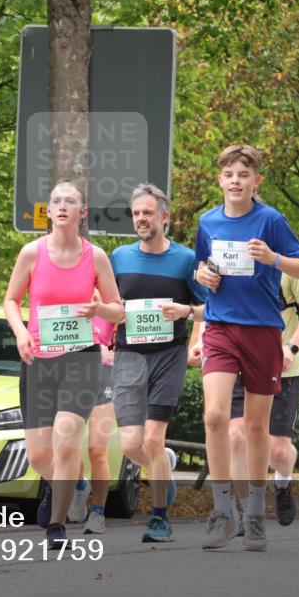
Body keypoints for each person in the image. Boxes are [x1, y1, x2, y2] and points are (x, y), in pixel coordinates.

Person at [193, 145, 299, 552]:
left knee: (258, 428)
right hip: (221, 326)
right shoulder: (207, 222)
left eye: (244, 174)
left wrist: (275, 258)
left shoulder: (271, 220)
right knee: (214, 417)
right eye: (229, 174)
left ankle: (257, 514)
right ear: (220, 180)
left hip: (262, 330)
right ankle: (223, 512)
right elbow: (200, 268)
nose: (236, 181)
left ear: (255, 181)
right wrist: (203, 275)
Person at [4, 181, 123, 550]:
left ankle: (56, 526)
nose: (61, 206)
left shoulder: (96, 256)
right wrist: (21, 332)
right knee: (40, 453)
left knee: (68, 436)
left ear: (82, 212)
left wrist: (99, 309)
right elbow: (11, 300)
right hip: (38, 359)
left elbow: (118, 308)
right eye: (56, 201)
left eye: (70, 201)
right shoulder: (31, 253)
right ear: (49, 210)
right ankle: (74, 483)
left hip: (81, 357)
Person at [110, 183, 205, 544]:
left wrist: (187, 314)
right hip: (129, 356)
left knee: (151, 435)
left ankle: (159, 517)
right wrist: (109, 314)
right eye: (136, 213)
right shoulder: (118, 257)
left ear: (164, 217)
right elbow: (106, 303)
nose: (140, 219)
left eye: (147, 213)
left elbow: (209, 309)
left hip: (169, 355)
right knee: (134, 445)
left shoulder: (185, 259)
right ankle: (161, 460)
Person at [210, 274, 299, 530]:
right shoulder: (233, 262)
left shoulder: (289, 264)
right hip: (241, 365)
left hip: (283, 369)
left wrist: (291, 347)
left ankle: (283, 483)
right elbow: (215, 305)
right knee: (236, 436)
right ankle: (248, 511)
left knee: (278, 451)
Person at [67, 298, 115, 534]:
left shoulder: (112, 292)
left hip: (105, 368)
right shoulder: (66, 288)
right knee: (69, 443)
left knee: (97, 449)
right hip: (72, 367)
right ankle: (79, 486)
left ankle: (98, 512)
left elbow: (128, 322)